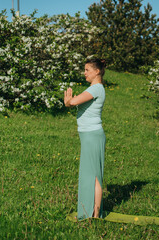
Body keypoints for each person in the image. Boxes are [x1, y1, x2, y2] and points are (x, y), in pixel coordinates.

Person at [64, 58, 106, 219]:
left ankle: (94, 214)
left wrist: (69, 101)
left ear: (97, 71)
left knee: (93, 175)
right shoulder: (93, 88)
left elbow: (73, 101)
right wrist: (69, 102)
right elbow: (71, 103)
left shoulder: (96, 89)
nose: (84, 73)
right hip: (88, 135)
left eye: (87, 70)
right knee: (90, 174)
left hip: (92, 135)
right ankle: (92, 212)